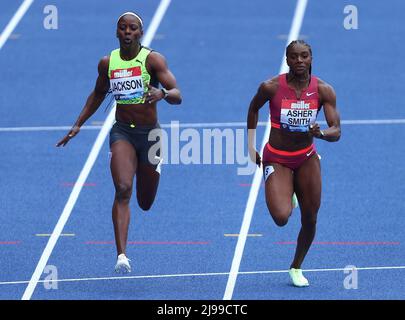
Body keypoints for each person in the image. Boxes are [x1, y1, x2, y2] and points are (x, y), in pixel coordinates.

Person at [56, 12, 182, 273]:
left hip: (151, 136)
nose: (127, 32)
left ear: (140, 33)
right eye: (122, 28)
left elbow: (178, 95)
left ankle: (154, 168)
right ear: (116, 33)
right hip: (122, 131)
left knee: (145, 202)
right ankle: (122, 255)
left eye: (132, 28)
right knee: (123, 188)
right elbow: (98, 94)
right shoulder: (107, 63)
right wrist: (78, 123)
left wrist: (163, 93)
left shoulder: (153, 60)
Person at [247, 40, 341, 287]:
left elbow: (337, 130)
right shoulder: (270, 87)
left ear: (311, 59)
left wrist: (320, 133)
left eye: (304, 56)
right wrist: (249, 146)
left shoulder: (323, 90)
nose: (299, 61)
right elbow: (253, 109)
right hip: (276, 157)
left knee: (310, 218)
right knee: (281, 217)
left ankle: (296, 266)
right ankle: (289, 192)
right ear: (286, 60)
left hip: (306, 157)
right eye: (294, 57)